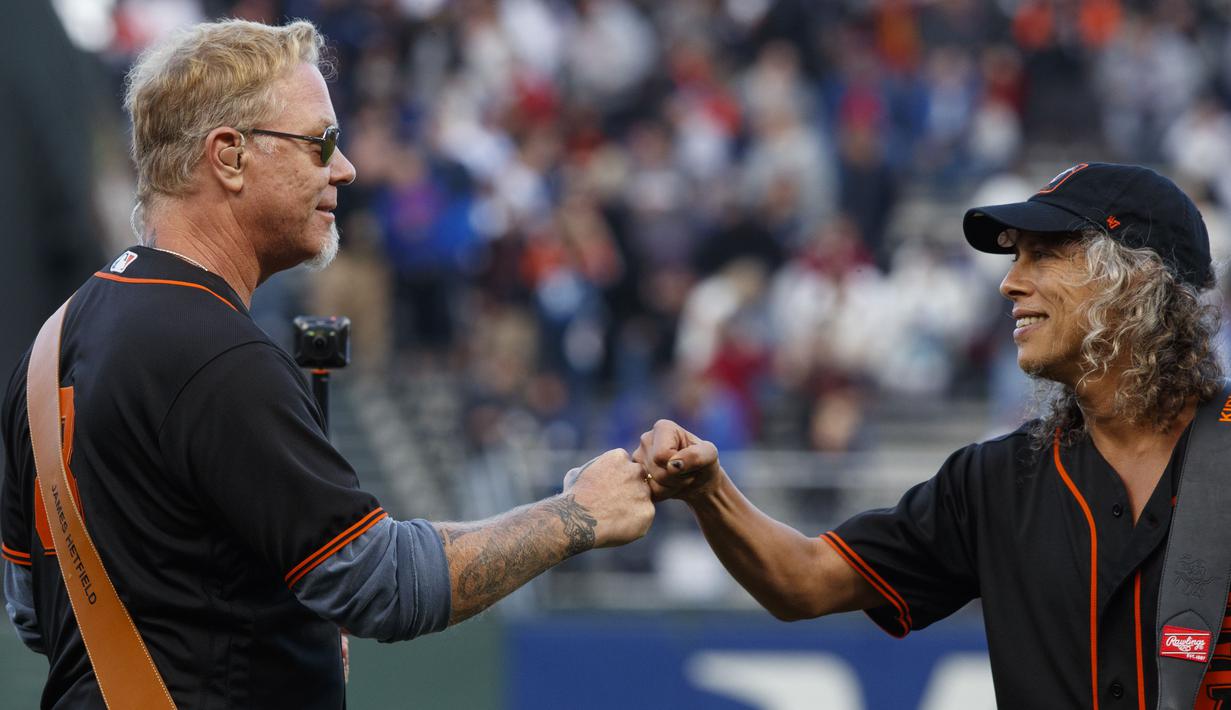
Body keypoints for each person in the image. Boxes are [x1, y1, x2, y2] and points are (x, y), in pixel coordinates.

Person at [0, 19, 653, 709]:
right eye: (320, 143)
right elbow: (379, 584)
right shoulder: (212, 351)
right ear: (229, 156)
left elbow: (35, 614)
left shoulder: (51, 343)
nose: (344, 168)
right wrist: (576, 515)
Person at [637, 162, 1228, 709]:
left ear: (1137, 281)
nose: (1009, 283)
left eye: (1043, 255)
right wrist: (707, 488)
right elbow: (804, 582)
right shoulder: (993, 482)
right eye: (1014, 257)